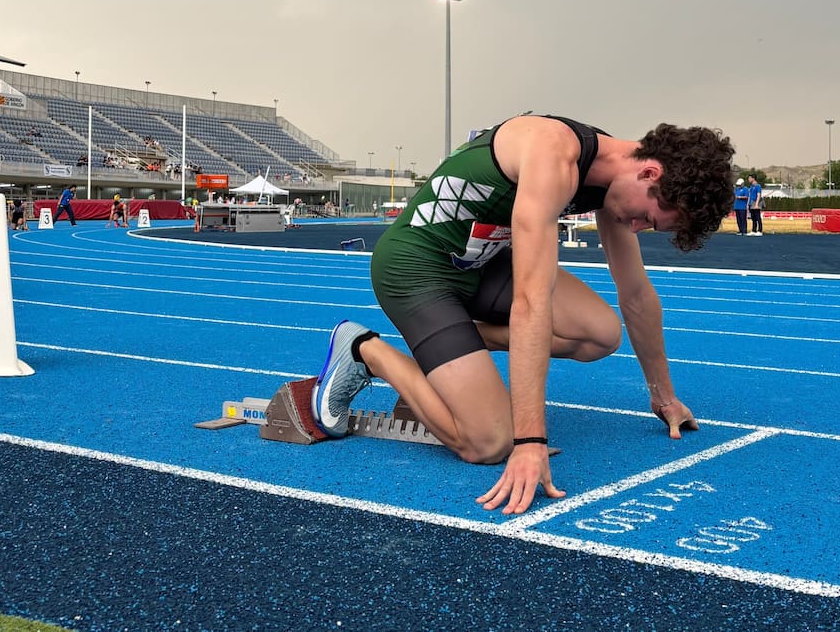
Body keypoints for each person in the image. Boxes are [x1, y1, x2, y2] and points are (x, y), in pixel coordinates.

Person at [309, 115, 735, 515]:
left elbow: (636, 294)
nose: (638, 227)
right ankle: (366, 350)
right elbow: (531, 303)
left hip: (481, 265)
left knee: (601, 334)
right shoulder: (553, 155)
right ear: (649, 173)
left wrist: (662, 395)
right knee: (488, 443)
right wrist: (529, 440)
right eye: (647, 217)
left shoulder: (612, 179)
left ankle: (452, 350)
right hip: (417, 269)